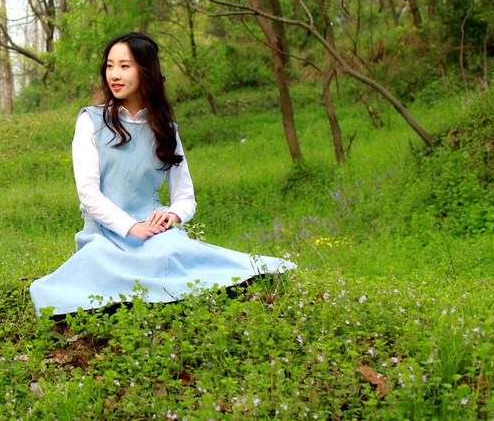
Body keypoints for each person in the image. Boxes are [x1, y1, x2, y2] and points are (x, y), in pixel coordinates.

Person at [29, 31, 295, 315]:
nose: (114, 75)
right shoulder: (91, 121)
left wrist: (172, 216)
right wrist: (132, 227)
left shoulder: (165, 129)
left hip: (154, 235)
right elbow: (89, 196)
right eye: (109, 66)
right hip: (104, 237)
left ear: (146, 71)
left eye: (124, 66)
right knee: (96, 262)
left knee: (173, 252)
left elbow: (185, 197)